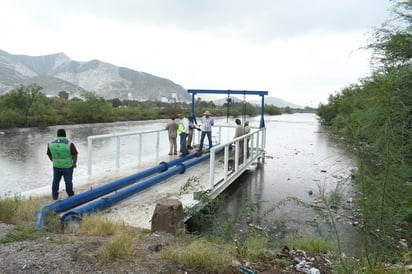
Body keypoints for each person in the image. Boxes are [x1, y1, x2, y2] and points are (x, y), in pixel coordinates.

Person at [47, 128, 78, 200]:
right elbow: (75, 154)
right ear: (65, 134)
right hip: (67, 166)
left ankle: (55, 196)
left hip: (56, 166)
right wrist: (74, 163)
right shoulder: (69, 143)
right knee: (68, 181)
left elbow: (48, 154)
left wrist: (52, 160)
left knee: (55, 181)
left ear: (57, 134)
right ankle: (71, 196)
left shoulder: (51, 143)